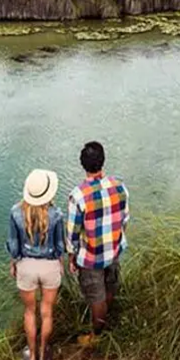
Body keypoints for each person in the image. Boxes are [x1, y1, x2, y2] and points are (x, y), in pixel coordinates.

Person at [67, 142, 129, 344]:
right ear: (103, 161)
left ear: (82, 164)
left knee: (96, 297)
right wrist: (116, 240)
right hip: (114, 249)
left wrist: (72, 257)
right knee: (110, 287)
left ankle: (98, 335)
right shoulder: (120, 187)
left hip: (91, 256)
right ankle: (106, 321)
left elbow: (72, 233)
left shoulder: (78, 195)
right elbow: (125, 219)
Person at [6, 169, 66, 360]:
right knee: (47, 311)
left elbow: (13, 245)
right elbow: (60, 247)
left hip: (26, 266)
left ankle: (32, 357)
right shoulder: (56, 214)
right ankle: (43, 353)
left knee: (30, 311)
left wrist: (14, 262)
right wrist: (61, 263)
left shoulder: (15, 212)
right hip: (49, 266)